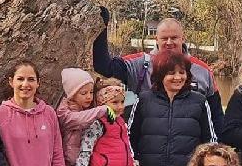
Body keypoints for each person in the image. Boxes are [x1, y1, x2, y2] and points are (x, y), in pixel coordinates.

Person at [93, 10, 225, 131]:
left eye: (174, 38)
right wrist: (102, 23)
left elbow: (216, 117)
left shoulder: (202, 70)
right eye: (164, 38)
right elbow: (104, 67)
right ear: (156, 39)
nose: (169, 42)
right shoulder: (139, 64)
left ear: (182, 38)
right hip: (146, 149)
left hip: (190, 150)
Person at [128, 49, 217, 166]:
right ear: (160, 75)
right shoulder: (143, 100)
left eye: (182, 72)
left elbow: (210, 142)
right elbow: (129, 137)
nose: (177, 77)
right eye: (171, 73)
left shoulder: (200, 101)